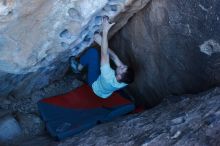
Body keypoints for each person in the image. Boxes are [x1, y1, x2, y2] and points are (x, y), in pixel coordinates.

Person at [70, 16, 134, 98]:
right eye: (124, 66)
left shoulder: (108, 75)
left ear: (118, 76)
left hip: (95, 85)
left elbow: (104, 53)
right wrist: (100, 42)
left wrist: (105, 30)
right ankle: (101, 81)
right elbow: (114, 57)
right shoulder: (125, 81)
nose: (121, 65)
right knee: (106, 66)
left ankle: (78, 68)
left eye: (122, 68)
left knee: (93, 53)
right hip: (105, 93)